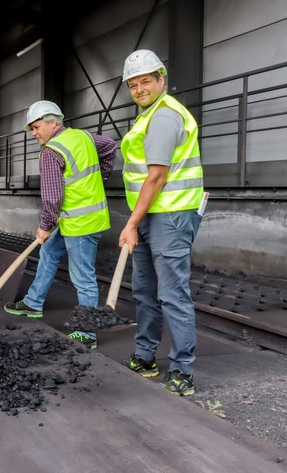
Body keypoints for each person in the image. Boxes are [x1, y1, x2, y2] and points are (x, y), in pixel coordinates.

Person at [118, 49, 204, 396]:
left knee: (172, 294)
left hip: (170, 216)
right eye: (133, 84)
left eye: (145, 81)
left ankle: (183, 369)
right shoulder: (147, 117)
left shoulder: (165, 117)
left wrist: (129, 224)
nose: (139, 89)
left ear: (161, 79)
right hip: (151, 215)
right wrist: (137, 222)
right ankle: (145, 356)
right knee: (144, 291)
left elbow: (156, 177)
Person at [4, 100, 117, 349]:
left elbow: (53, 197)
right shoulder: (83, 137)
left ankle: (87, 332)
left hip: (79, 224)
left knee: (83, 278)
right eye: (32, 129)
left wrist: (45, 225)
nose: (34, 133)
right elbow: (109, 146)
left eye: (36, 127)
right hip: (81, 218)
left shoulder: (52, 151)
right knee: (49, 252)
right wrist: (102, 174)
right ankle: (33, 302)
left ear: (52, 122)